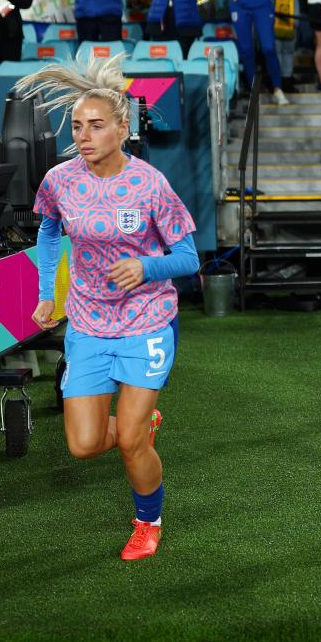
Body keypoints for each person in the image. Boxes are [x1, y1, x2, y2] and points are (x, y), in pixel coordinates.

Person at [20, 54, 199, 560]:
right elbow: (49, 228)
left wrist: (146, 268)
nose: (84, 135)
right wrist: (45, 294)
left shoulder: (150, 184)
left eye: (96, 126)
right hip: (88, 324)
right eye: (77, 126)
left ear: (123, 128)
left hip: (146, 323)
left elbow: (188, 257)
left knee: (130, 443)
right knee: (81, 444)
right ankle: (140, 423)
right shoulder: (59, 180)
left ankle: (148, 523)